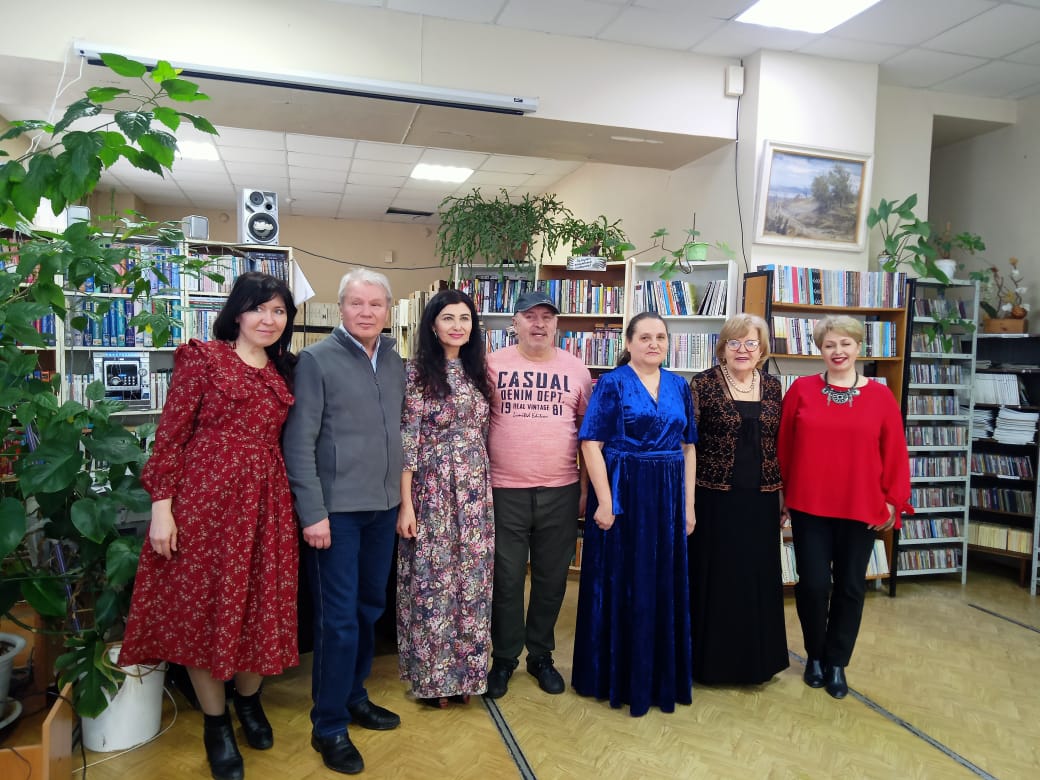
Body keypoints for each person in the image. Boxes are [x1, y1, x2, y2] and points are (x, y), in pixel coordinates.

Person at [119, 272, 298, 780]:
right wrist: (162, 508)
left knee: (261, 604)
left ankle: (249, 701)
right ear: (237, 313)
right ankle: (216, 722)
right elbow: (171, 437)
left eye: (279, 311)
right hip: (204, 505)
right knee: (203, 609)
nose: (269, 319)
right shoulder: (204, 359)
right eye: (259, 308)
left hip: (266, 506)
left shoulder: (285, 370)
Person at [282, 268, 406, 776]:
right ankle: (329, 724)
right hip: (335, 515)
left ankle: (354, 695)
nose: (366, 312)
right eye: (357, 303)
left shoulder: (395, 360)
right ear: (341, 308)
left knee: (368, 609)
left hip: (383, 508)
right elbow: (299, 443)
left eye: (376, 304)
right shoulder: (316, 360)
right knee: (336, 620)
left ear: (388, 311)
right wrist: (313, 513)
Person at [571, 311, 698, 716]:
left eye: (660, 337)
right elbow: (591, 444)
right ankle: (616, 677)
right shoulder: (612, 383)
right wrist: (605, 502)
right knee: (621, 581)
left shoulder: (680, 385)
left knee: (661, 582)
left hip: (667, 497)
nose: (653, 344)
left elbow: (688, 448)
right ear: (628, 343)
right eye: (644, 337)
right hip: (623, 491)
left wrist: (688, 506)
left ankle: (659, 678)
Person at [778, 314, 911, 700]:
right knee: (814, 585)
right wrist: (783, 496)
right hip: (809, 505)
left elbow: (895, 452)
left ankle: (837, 662)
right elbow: (784, 446)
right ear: (820, 350)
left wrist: (893, 500)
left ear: (858, 347)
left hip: (861, 505)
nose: (838, 351)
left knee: (851, 587)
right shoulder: (800, 390)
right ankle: (815, 656)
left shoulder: (881, 397)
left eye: (845, 344)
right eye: (829, 345)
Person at [485, 290, 593, 699]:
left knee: (551, 579)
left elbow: (588, 436)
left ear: (556, 324)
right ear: (514, 322)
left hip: (560, 490)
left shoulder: (576, 369)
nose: (539, 323)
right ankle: (504, 657)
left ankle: (540, 656)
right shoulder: (491, 365)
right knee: (506, 580)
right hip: (504, 490)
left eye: (547, 317)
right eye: (529, 316)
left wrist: (584, 489)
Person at [396, 289, 494, 708]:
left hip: (475, 491)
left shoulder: (478, 371)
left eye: (465, 318)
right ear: (433, 325)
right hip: (432, 490)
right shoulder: (416, 372)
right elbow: (408, 441)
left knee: (473, 582)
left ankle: (468, 675)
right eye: (448, 318)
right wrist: (406, 504)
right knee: (433, 584)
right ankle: (434, 679)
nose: (457, 325)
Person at [688, 313, 789, 685]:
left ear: (762, 349)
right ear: (723, 347)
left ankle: (756, 664)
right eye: (734, 342)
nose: (742, 349)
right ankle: (709, 664)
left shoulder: (774, 386)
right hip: (713, 499)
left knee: (756, 578)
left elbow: (778, 444)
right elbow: (687, 444)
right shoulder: (703, 383)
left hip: (761, 499)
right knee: (716, 578)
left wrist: (783, 495)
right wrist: (686, 500)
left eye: (750, 343)